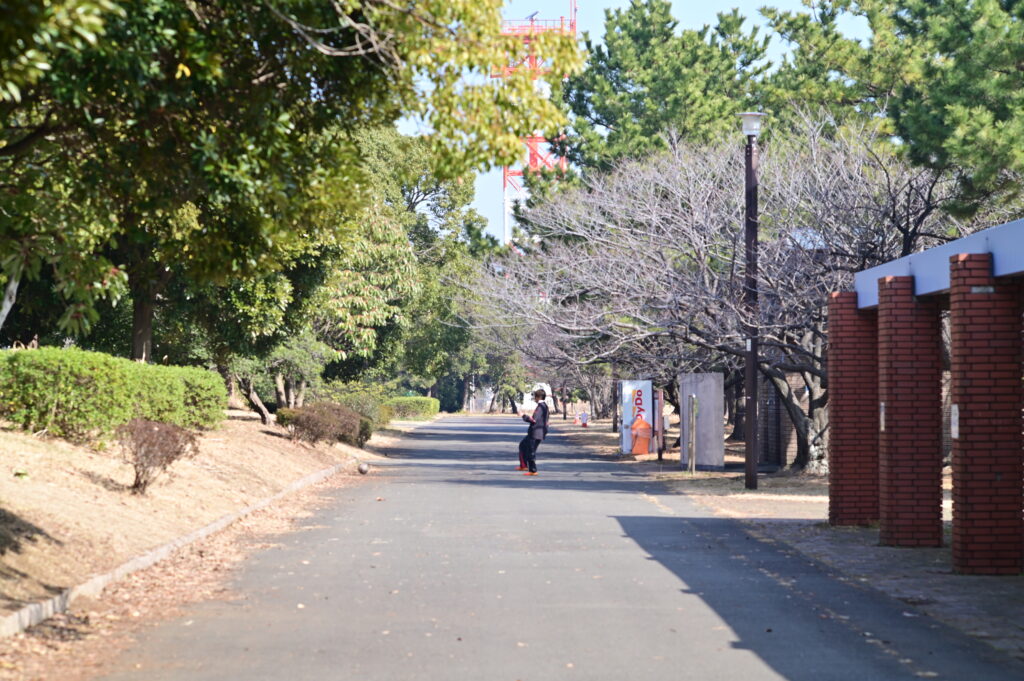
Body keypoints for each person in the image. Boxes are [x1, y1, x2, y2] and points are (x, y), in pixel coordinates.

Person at [520, 388, 549, 475]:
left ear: (539, 397)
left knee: (531, 451)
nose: (535, 399)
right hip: (538, 432)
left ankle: (533, 470)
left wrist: (523, 416)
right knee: (523, 446)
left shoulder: (540, 407)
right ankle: (524, 465)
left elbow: (533, 420)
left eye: (535, 397)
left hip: (535, 433)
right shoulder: (544, 406)